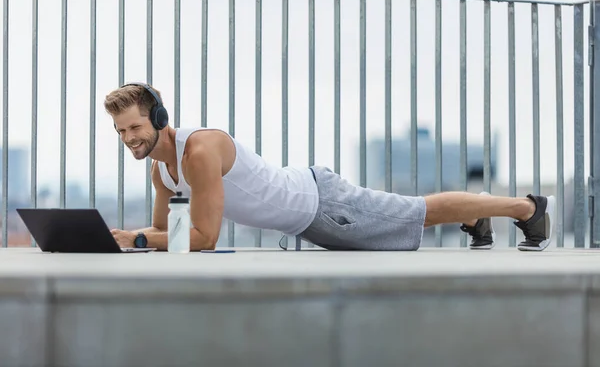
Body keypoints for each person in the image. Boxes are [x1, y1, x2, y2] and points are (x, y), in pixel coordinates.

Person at [105, 82, 555, 252]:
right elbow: (168, 235)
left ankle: (526, 209)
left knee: (419, 210)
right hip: (307, 219)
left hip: (321, 203)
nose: (130, 139)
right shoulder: (161, 171)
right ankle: (476, 214)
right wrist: (131, 238)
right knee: (416, 211)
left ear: (160, 117)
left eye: (135, 127)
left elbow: (201, 239)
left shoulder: (198, 152)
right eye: (121, 132)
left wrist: (139, 238)